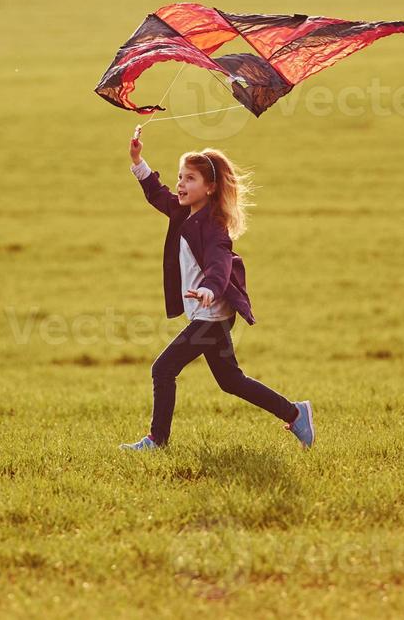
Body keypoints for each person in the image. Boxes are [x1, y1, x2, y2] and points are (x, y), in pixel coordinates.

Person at [119, 129, 314, 452]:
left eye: (190, 179)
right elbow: (157, 193)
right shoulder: (183, 211)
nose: (181, 184)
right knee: (231, 381)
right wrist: (138, 161)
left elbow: (220, 263)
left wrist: (210, 288)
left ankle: (157, 441)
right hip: (211, 315)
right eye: (180, 177)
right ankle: (296, 413)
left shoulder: (213, 226)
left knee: (163, 369)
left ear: (210, 188)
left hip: (210, 316)